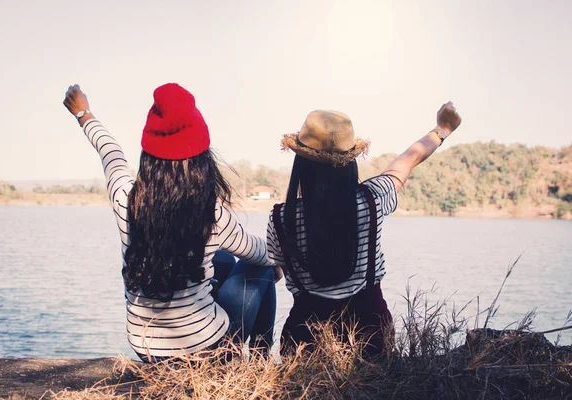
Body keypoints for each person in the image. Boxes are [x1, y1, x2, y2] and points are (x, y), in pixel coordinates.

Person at [63, 83, 278, 362]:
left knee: (222, 259)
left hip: (147, 349)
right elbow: (261, 253)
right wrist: (276, 263)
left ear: (148, 157)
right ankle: (258, 361)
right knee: (259, 266)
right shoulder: (210, 214)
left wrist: (84, 114)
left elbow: (111, 153)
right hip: (208, 348)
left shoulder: (126, 200)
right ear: (202, 161)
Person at [267, 104, 462, 357]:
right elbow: (409, 159)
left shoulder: (281, 217)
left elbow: (276, 271)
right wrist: (443, 129)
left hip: (304, 340)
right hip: (370, 337)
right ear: (350, 162)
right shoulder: (373, 199)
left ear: (301, 164)